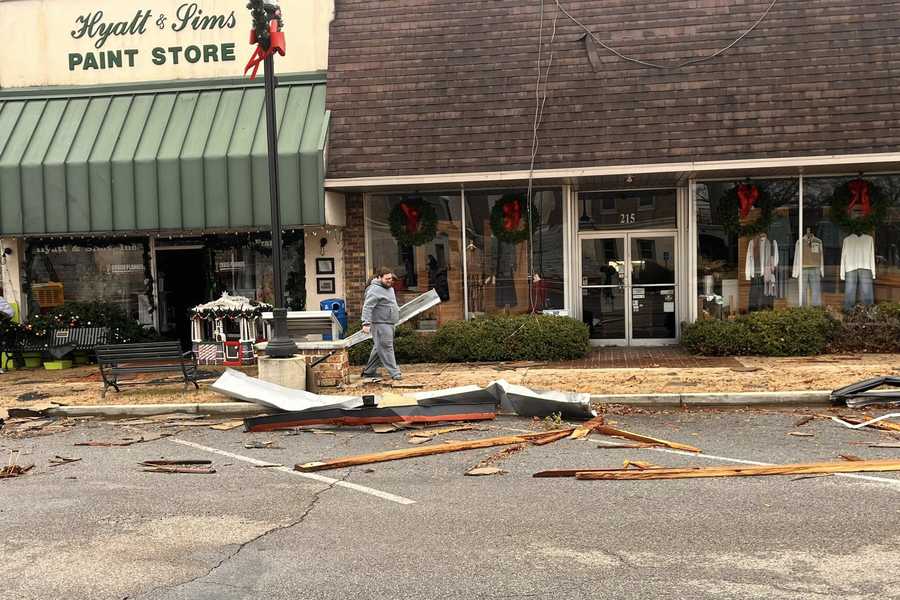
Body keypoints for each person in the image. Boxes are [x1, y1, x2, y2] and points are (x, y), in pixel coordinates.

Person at [361, 267, 401, 381]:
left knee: (379, 348)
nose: (390, 280)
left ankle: (369, 372)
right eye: (387, 278)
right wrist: (366, 323)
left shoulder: (389, 288)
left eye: (390, 278)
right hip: (380, 324)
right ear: (379, 278)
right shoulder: (374, 290)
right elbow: (367, 307)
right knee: (387, 347)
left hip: (389, 322)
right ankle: (395, 373)